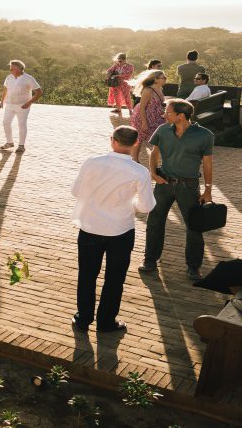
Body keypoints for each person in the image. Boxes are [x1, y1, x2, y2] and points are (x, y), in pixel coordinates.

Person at [70, 126, 156, 333]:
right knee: (115, 278)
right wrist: (130, 206)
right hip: (121, 229)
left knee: (87, 275)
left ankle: (83, 319)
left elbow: (75, 191)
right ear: (136, 143)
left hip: (90, 227)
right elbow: (146, 206)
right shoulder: (140, 172)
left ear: (112, 140)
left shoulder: (92, 163)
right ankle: (106, 322)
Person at [140, 99, 215, 282]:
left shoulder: (205, 135)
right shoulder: (163, 130)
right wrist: (153, 173)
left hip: (188, 186)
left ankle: (193, 267)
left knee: (194, 227)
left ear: (181, 115)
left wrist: (208, 190)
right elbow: (155, 152)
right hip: (164, 184)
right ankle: (150, 261)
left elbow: (207, 164)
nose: (164, 115)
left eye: (168, 112)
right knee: (154, 222)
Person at [0, 60, 42, 154]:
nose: (10, 70)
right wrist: (2, 102)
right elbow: (5, 90)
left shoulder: (28, 78)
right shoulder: (9, 77)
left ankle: (21, 146)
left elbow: (39, 92)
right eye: (10, 68)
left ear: (19, 68)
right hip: (9, 105)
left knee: (21, 124)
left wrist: (29, 103)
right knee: (6, 123)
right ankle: (9, 142)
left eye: (12, 68)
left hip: (23, 106)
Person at [130, 70, 167, 163]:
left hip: (156, 118)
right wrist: (144, 123)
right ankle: (135, 160)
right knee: (139, 139)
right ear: (156, 79)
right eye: (164, 78)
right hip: (144, 116)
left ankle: (156, 161)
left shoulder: (160, 89)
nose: (165, 79)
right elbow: (142, 107)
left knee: (158, 139)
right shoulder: (148, 90)